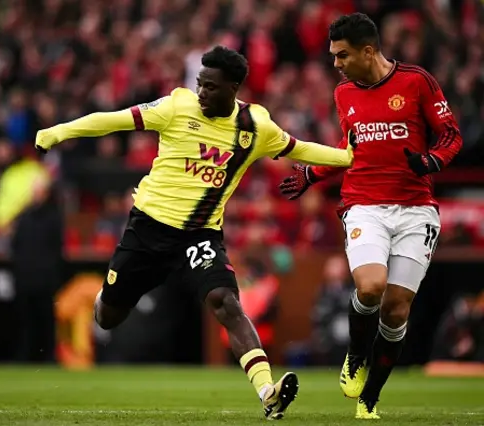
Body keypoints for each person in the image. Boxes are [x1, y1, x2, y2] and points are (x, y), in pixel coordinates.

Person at [36, 45, 355, 419]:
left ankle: (268, 392)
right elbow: (113, 120)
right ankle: (108, 295)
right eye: (200, 84)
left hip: (199, 236)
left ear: (234, 88)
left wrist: (349, 157)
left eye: (211, 87)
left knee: (226, 302)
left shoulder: (255, 128)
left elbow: (301, 149)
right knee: (108, 316)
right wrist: (58, 132)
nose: (202, 93)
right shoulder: (176, 107)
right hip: (148, 229)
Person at [279, 13, 462, 419]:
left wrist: (431, 161)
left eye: (341, 55)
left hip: (416, 210)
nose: (336, 64)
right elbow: (350, 150)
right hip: (365, 204)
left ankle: (369, 400)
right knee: (371, 286)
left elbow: (451, 134)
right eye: (332, 56)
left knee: (397, 309)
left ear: (368, 50)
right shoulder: (344, 93)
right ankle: (355, 356)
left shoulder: (417, 81)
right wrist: (312, 173)